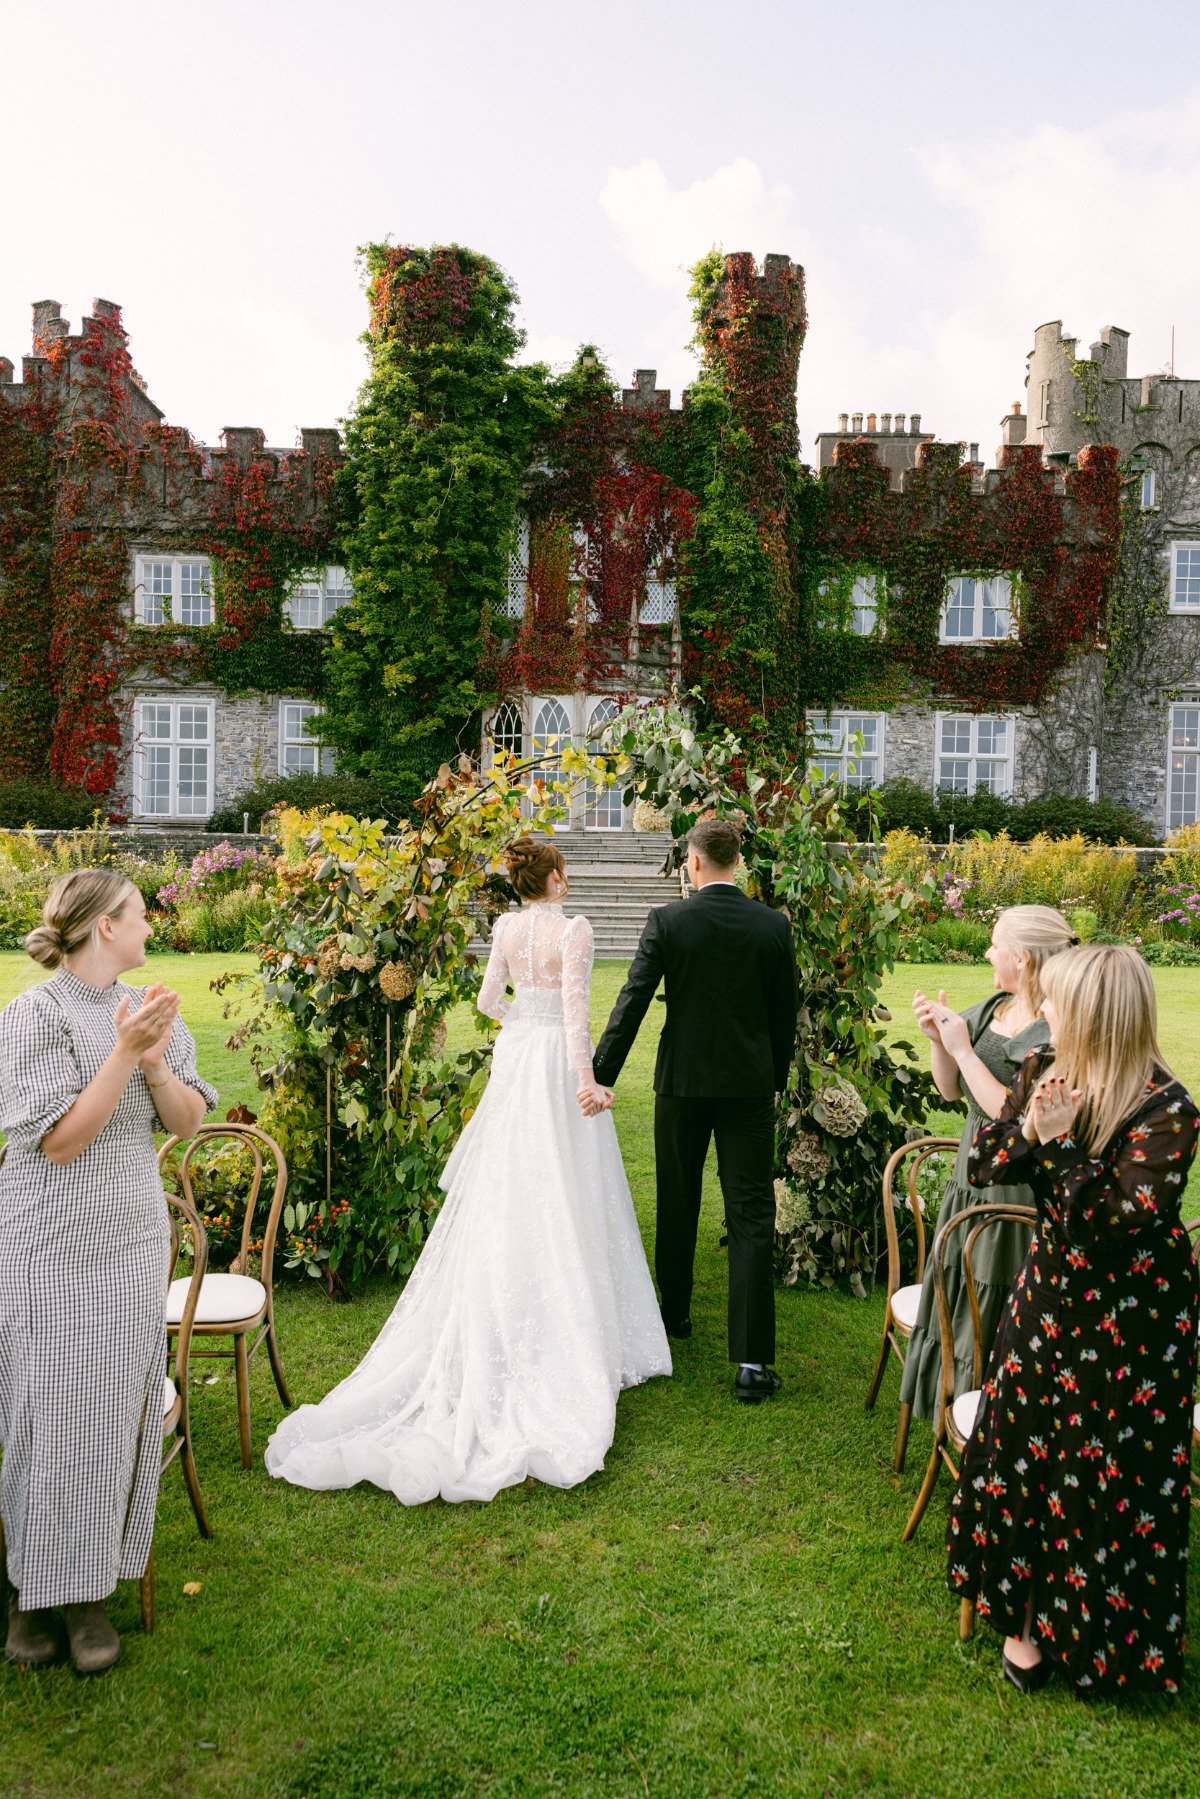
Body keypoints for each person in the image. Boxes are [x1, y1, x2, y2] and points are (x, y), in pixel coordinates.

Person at [265, 840, 670, 1504]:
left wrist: (521, 1024)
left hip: (515, 1061)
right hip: (550, 1063)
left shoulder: (507, 928)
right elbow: (576, 1019)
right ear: (559, 879)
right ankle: (570, 1324)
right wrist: (587, 1082)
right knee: (565, 1190)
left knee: (509, 1188)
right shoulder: (575, 930)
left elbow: (488, 1000)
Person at [947, 944, 1199, 1696]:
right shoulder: (1046, 1069)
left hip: (1134, 1320)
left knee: (1106, 1467)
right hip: (1051, 1293)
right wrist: (1032, 1132)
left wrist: (1057, 1149)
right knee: (1027, 1448)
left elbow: (1115, 1221)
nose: (1045, 1013)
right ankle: (1025, 1616)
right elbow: (984, 1164)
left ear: (1098, 1015)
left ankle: (1101, 1634)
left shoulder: (1170, 1109)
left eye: (1059, 1002)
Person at [0, 871, 217, 1675]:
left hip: (128, 1242)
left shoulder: (151, 1008)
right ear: (102, 927)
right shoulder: (34, 1017)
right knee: (43, 1412)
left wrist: (156, 1061)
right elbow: (59, 1140)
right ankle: (30, 1592)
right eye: (139, 912)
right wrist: (124, 1054)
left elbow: (191, 1121)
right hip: (45, 1246)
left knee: (114, 1409)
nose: (150, 923)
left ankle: (87, 1594)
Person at [588, 818, 798, 1404]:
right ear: (738, 863)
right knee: (751, 1211)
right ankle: (752, 1362)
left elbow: (632, 1000)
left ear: (695, 863)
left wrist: (598, 1074)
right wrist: (773, 1079)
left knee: (677, 1198)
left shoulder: (670, 920)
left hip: (680, 1083)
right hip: (749, 1088)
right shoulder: (771, 926)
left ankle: (672, 1317)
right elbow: (785, 1016)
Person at [899, 906, 1076, 1424]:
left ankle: (994, 1419)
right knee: (959, 1286)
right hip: (969, 1178)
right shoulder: (993, 1007)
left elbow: (1020, 1117)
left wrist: (965, 1051)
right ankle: (948, 1408)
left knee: (997, 1287)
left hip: (1017, 1184)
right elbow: (950, 1089)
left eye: (994, 944)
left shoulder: (1060, 1026)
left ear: (1021, 958)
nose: (986, 952)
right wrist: (940, 1045)